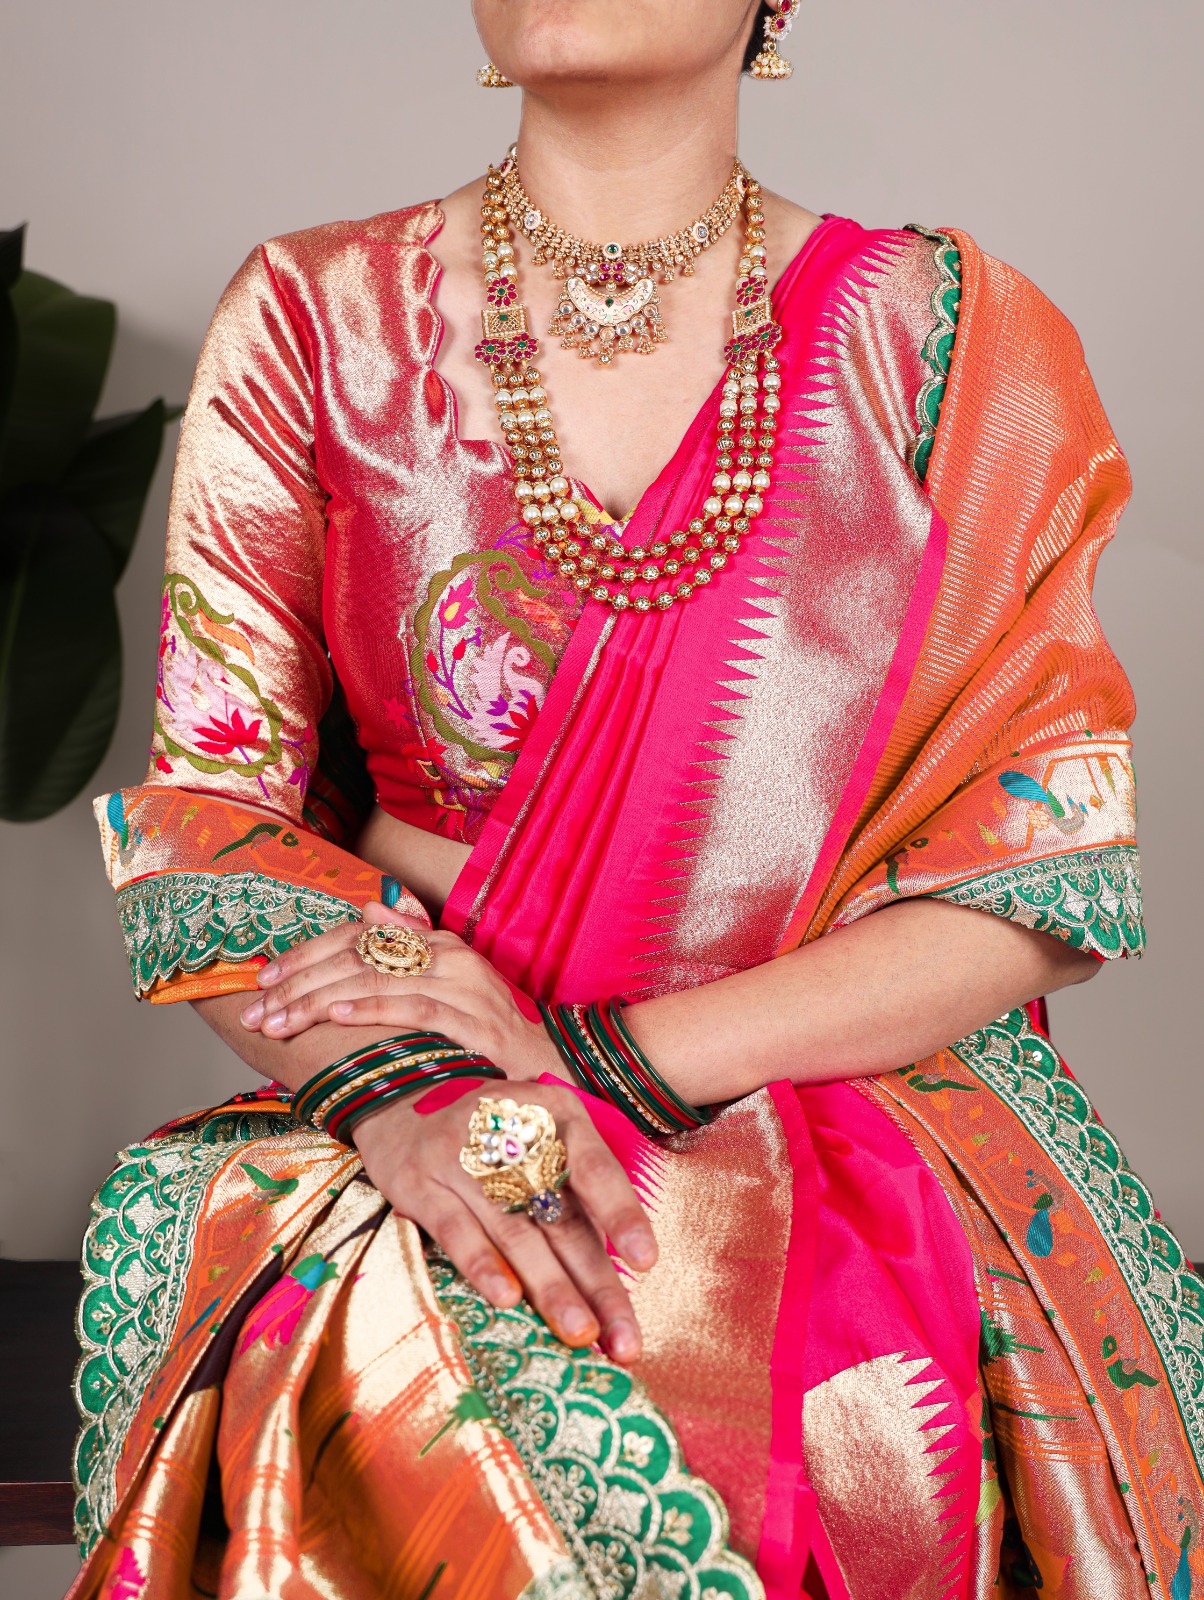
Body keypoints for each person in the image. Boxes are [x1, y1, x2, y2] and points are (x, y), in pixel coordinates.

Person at [69, 2, 1201, 1597]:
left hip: (833, 1086)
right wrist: (410, 1097)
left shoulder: (959, 348)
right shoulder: (316, 317)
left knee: (874, 1408)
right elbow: (215, 821)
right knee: (372, 1331)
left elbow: (1034, 874)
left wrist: (597, 1064)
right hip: (425, 1078)